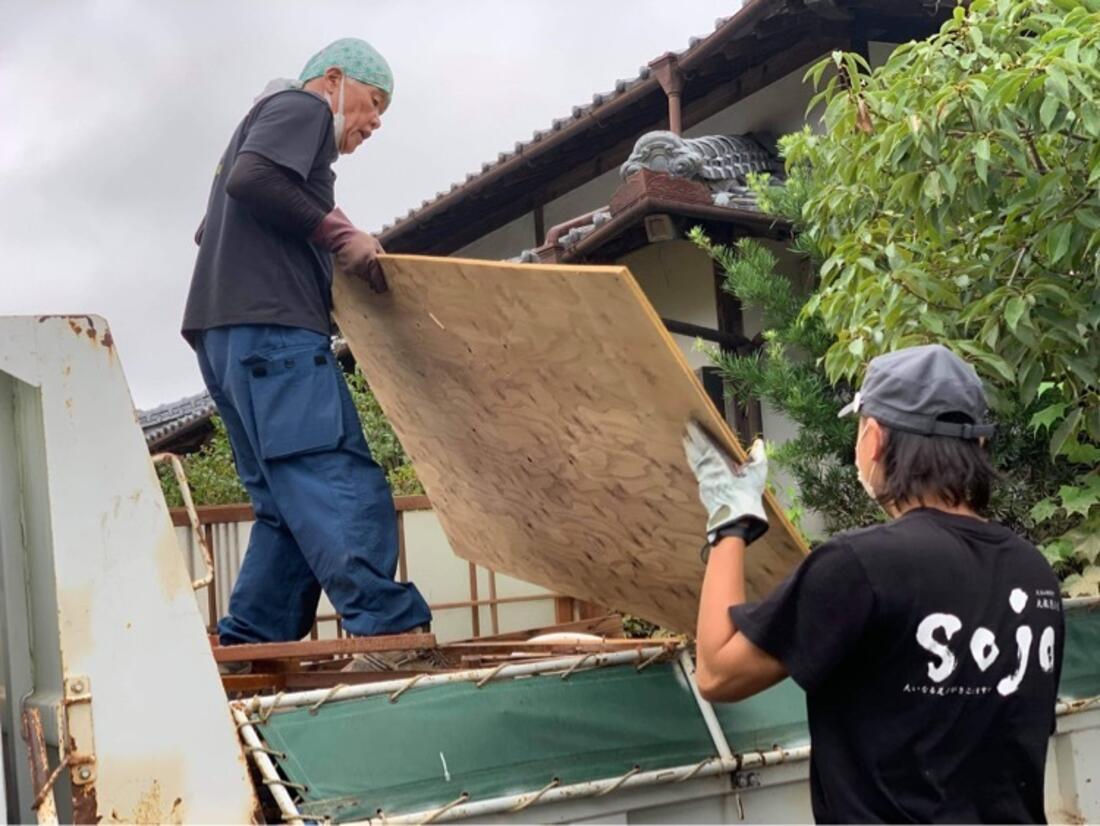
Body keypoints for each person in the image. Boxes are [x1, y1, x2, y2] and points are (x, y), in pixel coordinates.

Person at [682, 344, 1064, 823]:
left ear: (874, 439)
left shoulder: (859, 566)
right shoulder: (1034, 576)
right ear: (980, 447)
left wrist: (730, 523)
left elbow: (717, 672)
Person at [181, 38, 431, 645]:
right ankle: (392, 635)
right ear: (335, 80)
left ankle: (252, 648)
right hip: (275, 336)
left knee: (285, 507)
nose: (374, 122)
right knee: (332, 474)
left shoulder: (253, 133)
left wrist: (323, 234)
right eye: (373, 103)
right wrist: (337, 232)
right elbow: (255, 179)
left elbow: (209, 225)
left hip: (225, 341)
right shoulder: (302, 107)